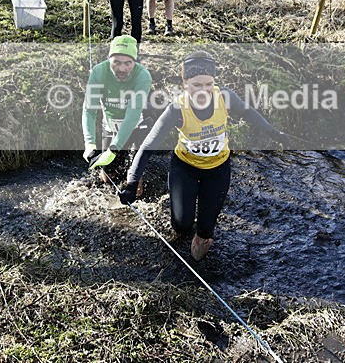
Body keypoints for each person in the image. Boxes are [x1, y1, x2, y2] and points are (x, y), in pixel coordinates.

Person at [123, 51, 290, 261]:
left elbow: (248, 112)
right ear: (185, 83)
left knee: (205, 231)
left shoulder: (225, 97)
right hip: (185, 168)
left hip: (218, 169)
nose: (203, 90)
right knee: (182, 225)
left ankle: (197, 262)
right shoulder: (177, 109)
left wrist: (274, 133)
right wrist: (132, 182)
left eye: (208, 84)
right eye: (196, 85)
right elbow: (148, 145)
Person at [83, 35, 153, 185]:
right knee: (107, 177)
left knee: (135, 178)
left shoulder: (143, 76)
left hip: (137, 126)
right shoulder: (99, 72)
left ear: (135, 62)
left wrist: (114, 149)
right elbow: (89, 110)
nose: (122, 69)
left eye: (128, 63)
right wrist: (89, 144)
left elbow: (132, 116)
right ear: (109, 59)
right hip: (111, 127)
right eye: (116, 62)